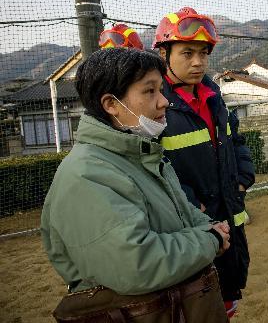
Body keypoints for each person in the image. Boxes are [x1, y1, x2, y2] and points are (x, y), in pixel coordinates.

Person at [41, 48, 230, 322]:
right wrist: (209, 240)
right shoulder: (86, 175)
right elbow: (136, 264)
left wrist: (208, 226)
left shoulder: (142, 156)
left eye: (161, 90)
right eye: (149, 91)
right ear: (111, 104)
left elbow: (181, 215)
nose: (164, 101)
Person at [153, 7, 254, 319]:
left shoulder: (213, 95)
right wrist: (188, 203)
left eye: (203, 53)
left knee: (227, 295)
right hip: (189, 231)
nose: (198, 62)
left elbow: (234, 138)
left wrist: (243, 177)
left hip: (228, 217)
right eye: (187, 53)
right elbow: (151, 165)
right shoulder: (153, 103)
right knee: (194, 304)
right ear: (164, 54)